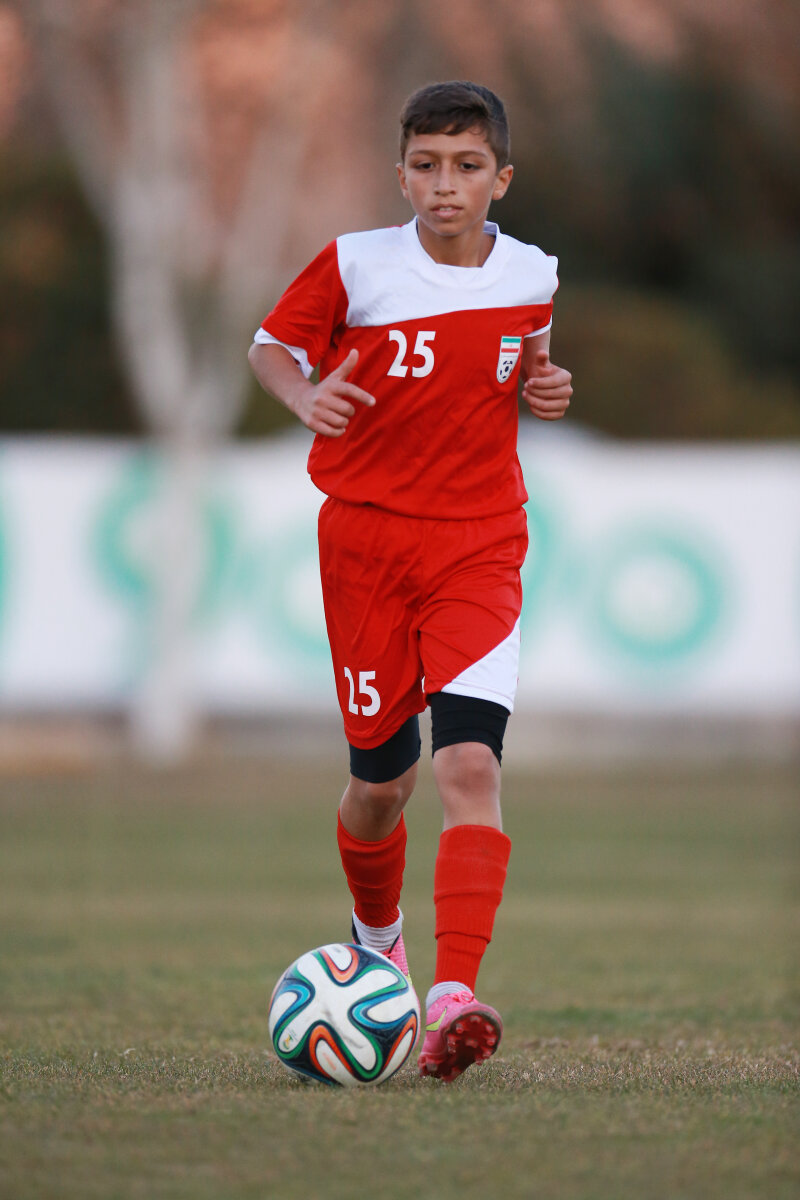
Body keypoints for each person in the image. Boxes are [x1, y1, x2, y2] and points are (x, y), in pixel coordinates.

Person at [248, 80, 572, 1082]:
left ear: (500, 178)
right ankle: (378, 944)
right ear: (401, 176)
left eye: (466, 166)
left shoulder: (531, 274)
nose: (445, 185)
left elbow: (528, 361)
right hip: (365, 547)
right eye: (426, 166)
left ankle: (452, 997)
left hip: (479, 545)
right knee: (379, 784)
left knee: (468, 767)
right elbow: (270, 346)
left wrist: (545, 384)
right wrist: (304, 395)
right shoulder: (356, 264)